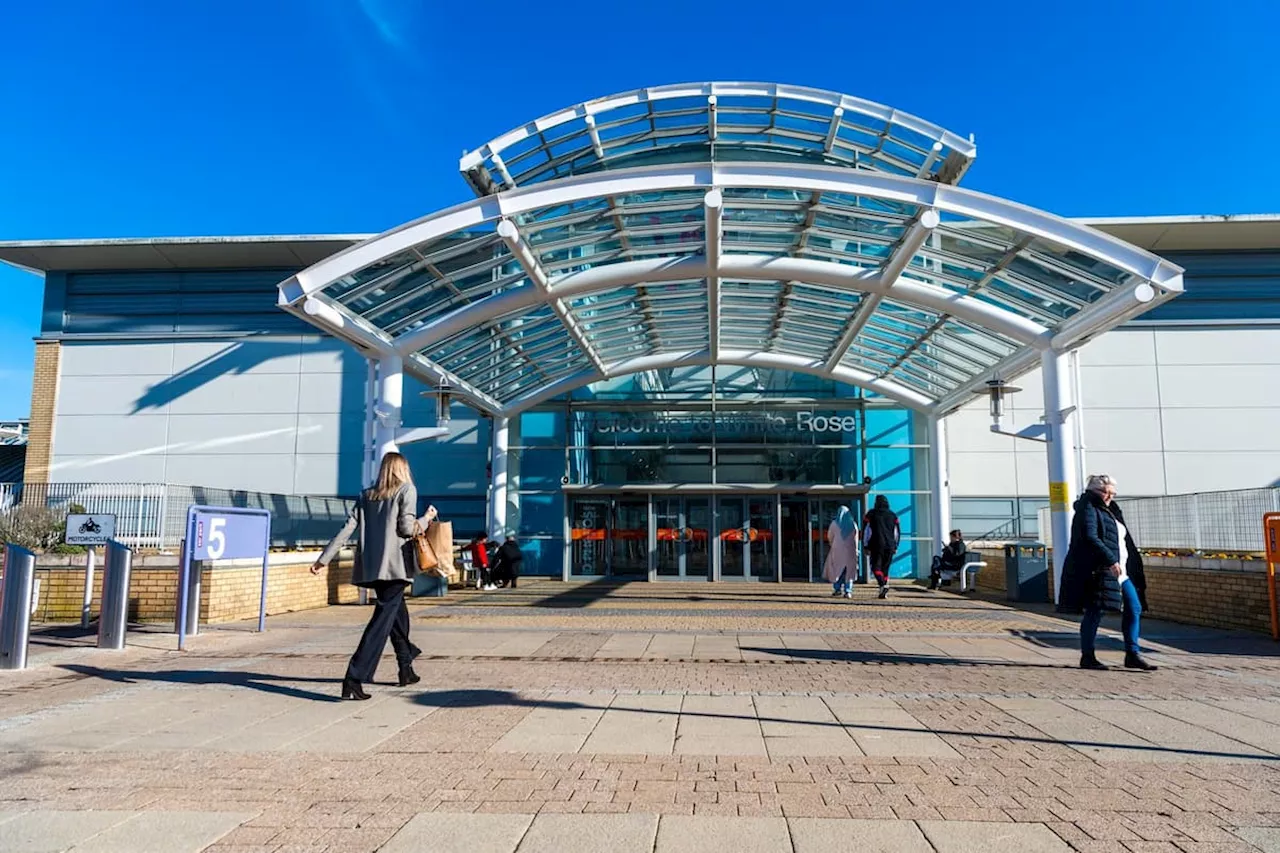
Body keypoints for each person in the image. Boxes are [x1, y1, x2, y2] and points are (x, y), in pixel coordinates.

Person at [311, 452, 437, 700]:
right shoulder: (406, 490)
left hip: (373, 568)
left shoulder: (367, 494)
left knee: (398, 616)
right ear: (403, 469)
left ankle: (405, 666)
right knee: (381, 623)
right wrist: (427, 518)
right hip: (396, 567)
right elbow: (406, 528)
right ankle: (354, 677)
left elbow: (346, 528)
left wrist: (323, 559)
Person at [1059, 474, 1154, 671]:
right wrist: (1110, 559)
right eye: (1105, 492)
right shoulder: (1088, 508)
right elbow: (1090, 536)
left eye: (1112, 493)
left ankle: (1132, 653)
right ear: (1093, 491)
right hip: (1101, 569)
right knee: (1096, 611)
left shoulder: (1111, 511)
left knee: (1134, 607)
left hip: (1122, 570)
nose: (1109, 496)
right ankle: (1088, 655)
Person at [862, 495, 900, 599]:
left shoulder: (871, 514)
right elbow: (896, 533)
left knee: (875, 567)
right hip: (890, 546)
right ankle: (883, 590)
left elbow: (866, 531)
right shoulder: (893, 515)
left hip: (876, 545)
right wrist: (895, 545)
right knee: (885, 569)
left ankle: (883, 584)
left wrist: (865, 545)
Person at [822, 506, 859, 599]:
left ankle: (837, 589)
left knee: (837, 570)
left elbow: (830, 536)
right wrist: (856, 550)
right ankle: (848, 591)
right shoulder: (853, 524)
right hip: (851, 551)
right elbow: (856, 539)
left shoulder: (834, 524)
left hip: (837, 551)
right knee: (849, 571)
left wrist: (833, 544)